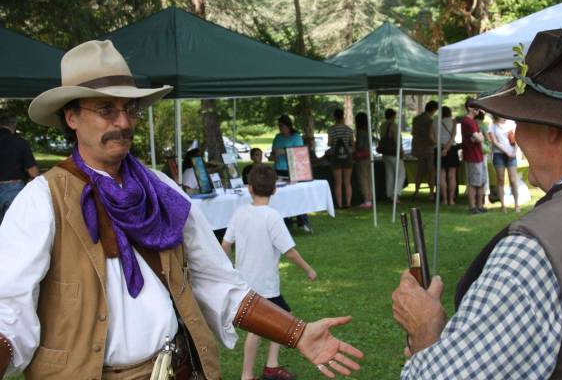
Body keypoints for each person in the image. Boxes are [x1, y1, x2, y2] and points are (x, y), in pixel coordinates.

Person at [0, 40, 363, 379]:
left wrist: (295, 333)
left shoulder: (162, 191)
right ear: (72, 117)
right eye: (106, 109)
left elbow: (217, 281)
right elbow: (8, 312)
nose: (123, 122)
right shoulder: (42, 201)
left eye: (130, 109)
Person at [392, 28, 562, 379]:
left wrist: (426, 333)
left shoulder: (534, 252)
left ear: (551, 127)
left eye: (521, 121)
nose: (519, 136)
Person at [222, 165, 317, 380]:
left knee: (281, 320)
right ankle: (250, 374)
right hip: (264, 285)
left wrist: (224, 270)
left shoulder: (240, 213)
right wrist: (309, 270)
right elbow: (289, 252)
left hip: (246, 283)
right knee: (263, 327)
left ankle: (271, 366)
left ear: (249, 188)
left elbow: (225, 245)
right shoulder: (272, 217)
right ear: (275, 190)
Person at [270, 115, 312, 233]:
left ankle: (302, 220)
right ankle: (285, 221)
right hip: (279, 169)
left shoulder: (296, 137)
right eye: (279, 126)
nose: (280, 128)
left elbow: (300, 154)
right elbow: (273, 153)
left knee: (296, 195)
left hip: (293, 170)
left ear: (288, 126)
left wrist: (284, 151)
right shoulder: (277, 137)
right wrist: (273, 155)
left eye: (282, 126)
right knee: (281, 196)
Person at [0, 110, 38, 223]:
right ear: (14, 126)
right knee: (12, 229)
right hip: (13, 190)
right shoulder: (19, 142)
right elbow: (33, 172)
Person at [487, 116, 520, 212]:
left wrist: (514, 152)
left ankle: (516, 204)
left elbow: (517, 137)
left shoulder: (511, 123)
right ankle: (503, 205)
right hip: (499, 155)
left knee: (513, 180)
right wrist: (507, 152)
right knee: (500, 180)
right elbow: (494, 142)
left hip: (512, 155)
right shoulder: (492, 126)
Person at [461, 100, 487, 214]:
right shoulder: (467, 122)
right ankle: (472, 207)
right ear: (470, 108)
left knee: (481, 182)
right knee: (473, 183)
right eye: (476, 108)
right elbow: (480, 138)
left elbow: (480, 138)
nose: (479, 110)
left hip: (478, 155)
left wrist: (479, 137)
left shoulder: (472, 121)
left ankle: (480, 206)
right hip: (472, 156)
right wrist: (479, 137)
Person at [327, 108, 354, 208]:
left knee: (338, 182)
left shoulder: (331, 129)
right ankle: (348, 204)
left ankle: (339, 204)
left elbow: (329, 143)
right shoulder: (349, 130)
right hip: (347, 157)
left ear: (334, 117)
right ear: (343, 116)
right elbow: (352, 144)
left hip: (335, 157)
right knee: (347, 182)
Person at [411, 101, 438, 199]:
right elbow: (431, 135)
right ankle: (431, 194)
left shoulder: (416, 119)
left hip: (418, 148)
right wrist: (435, 142)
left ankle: (416, 191)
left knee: (419, 171)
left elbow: (413, 133)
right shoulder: (430, 120)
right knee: (431, 171)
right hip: (428, 148)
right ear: (434, 109)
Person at [433, 106, 459, 205]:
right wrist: (447, 148)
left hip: (439, 148)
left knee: (441, 175)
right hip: (451, 148)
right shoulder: (453, 121)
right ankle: (451, 200)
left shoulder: (435, 122)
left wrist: (442, 146)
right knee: (452, 175)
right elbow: (453, 135)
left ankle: (444, 199)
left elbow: (432, 136)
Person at [379, 108, 405, 202]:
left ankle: (389, 194)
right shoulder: (394, 126)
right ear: (393, 116)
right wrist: (401, 150)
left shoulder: (382, 125)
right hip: (394, 153)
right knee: (401, 174)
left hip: (385, 153)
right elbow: (397, 140)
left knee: (389, 174)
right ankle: (396, 194)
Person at [353, 112, 372, 209]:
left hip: (362, 159)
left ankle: (366, 200)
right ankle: (370, 199)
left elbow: (359, 146)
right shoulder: (368, 131)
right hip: (369, 157)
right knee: (369, 179)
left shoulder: (360, 132)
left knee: (363, 179)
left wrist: (354, 145)